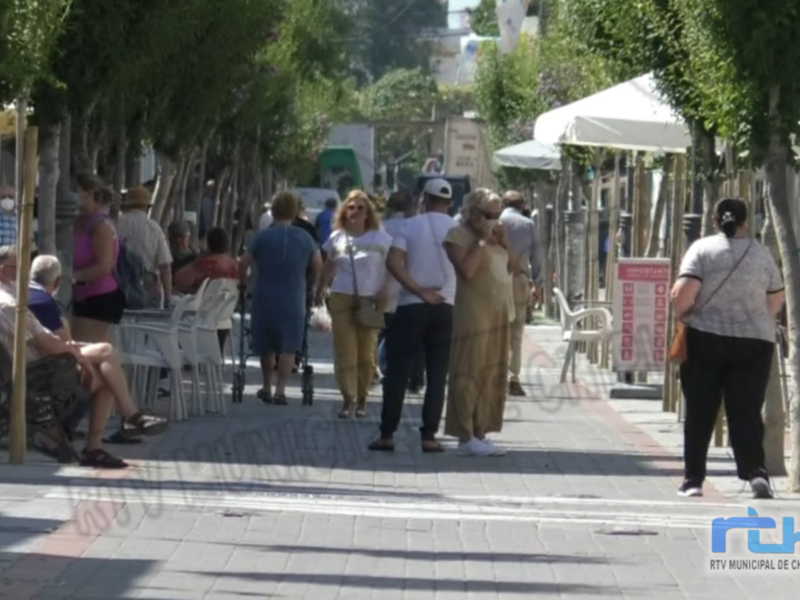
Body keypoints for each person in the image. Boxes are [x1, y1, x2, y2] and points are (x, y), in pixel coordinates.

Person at [0, 248, 167, 468]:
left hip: (44, 361)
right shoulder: (8, 304)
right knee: (106, 354)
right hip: (39, 369)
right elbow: (45, 343)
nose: (23, 273)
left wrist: (74, 352)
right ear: (3, 271)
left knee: (108, 374)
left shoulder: (16, 295)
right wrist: (78, 357)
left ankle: (100, 442)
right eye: (18, 267)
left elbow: (46, 338)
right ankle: (127, 417)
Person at [672, 198, 784, 500]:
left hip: (705, 337)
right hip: (755, 342)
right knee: (746, 410)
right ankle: (756, 472)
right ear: (746, 222)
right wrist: (755, 317)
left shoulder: (702, 249)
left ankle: (693, 480)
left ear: (715, 220)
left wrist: (685, 315)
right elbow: (775, 299)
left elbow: (683, 292)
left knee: (700, 411)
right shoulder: (762, 255)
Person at [369, 179, 457, 453]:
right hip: (446, 306)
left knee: (397, 371)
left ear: (424, 199)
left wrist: (418, 290)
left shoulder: (410, 225)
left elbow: (393, 262)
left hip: (410, 306)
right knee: (437, 373)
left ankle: (387, 434)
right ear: (450, 203)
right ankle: (428, 436)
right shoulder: (458, 229)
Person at [443, 189, 516, 457]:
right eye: (488, 214)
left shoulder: (497, 236)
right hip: (472, 311)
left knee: (492, 373)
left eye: (498, 214)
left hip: (498, 310)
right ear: (473, 212)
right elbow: (468, 272)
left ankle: (481, 431)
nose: (494, 220)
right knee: (468, 370)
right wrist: (483, 242)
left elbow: (514, 268)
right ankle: (464, 434)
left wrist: (505, 243)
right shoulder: (457, 235)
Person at [239, 191, 322, 405]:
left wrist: (243, 283)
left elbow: (243, 262)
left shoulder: (262, 236)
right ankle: (281, 390)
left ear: (273, 210)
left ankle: (266, 385)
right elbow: (318, 266)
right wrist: (312, 286)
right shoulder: (305, 238)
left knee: (266, 344)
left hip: (264, 295)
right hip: (294, 296)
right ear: (294, 211)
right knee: (289, 345)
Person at [317, 190, 392, 419]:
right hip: (341, 297)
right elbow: (329, 266)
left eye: (360, 208)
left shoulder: (380, 238)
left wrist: (385, 291)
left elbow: (392, 267)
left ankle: (362, 398)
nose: (355, 212)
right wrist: (319, 288)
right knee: (345, 352)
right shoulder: (337, 237)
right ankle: (347, 399)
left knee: (366, 355)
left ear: (368, 212)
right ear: (344, 211)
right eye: (350, 207)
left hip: (370, 300)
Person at [377, 191, 424, 390]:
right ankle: (416, 374)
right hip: (412, 287)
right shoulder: (417, 228)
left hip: (385, 287)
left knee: (386, 333)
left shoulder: (381, 228)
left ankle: (390, 370)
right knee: (415, 336)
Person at [500, 190, 545, 397]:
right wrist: (538, 283)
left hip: (495, 279)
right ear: (522, 205)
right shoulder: (527, 224)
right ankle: (513, 378)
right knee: (516, 332)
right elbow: (537, 255)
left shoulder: (495, 222)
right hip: (519, 280)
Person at [72, 175, 125, 343]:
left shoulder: (100, 225)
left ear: (90, 195)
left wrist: (72, 277)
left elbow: (104, 266)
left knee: (88, 351)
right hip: (83, 296)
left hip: (100, 297)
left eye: (77, 192)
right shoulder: (78, 222)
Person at [116, 186, 173, 308]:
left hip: (118, 282)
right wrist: (168, 297)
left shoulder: (115, 224)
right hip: (147, 283)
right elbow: (165, 266)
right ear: (146, 208)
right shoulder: (154, 228)